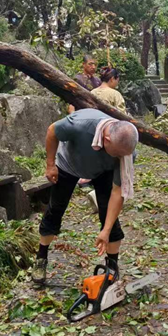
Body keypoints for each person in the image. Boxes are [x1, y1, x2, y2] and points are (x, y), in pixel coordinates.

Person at [32, 109, 139, 284]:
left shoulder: (126, 151)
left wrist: (105, 231)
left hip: (102, 171)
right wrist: (50, 165)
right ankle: (41, 258)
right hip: (68, 164)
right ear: (107, 139)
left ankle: (112, 267)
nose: (122, 158)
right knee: (55, 209)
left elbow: (117, 192)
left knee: (108, 218)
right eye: (118, 154)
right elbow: (52, 130)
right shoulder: (80, 125)